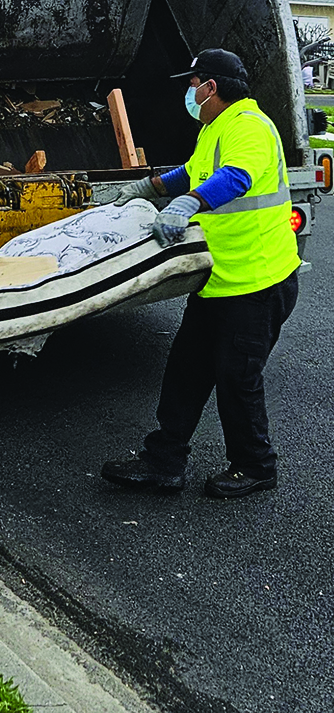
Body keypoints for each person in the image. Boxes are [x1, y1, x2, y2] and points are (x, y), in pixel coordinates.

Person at [101, 48, 299, 499]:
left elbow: (236, 177)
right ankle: (163, 461)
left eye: (192, 84)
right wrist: (147, 187)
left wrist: (188, 204)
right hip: (219, 278)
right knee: (185, 371)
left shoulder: (248, 125)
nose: (188, 92)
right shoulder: (215, 127)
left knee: (236, 378)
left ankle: (255, 466)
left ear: (210, 87)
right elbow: (193, 171)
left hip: (258, 282)